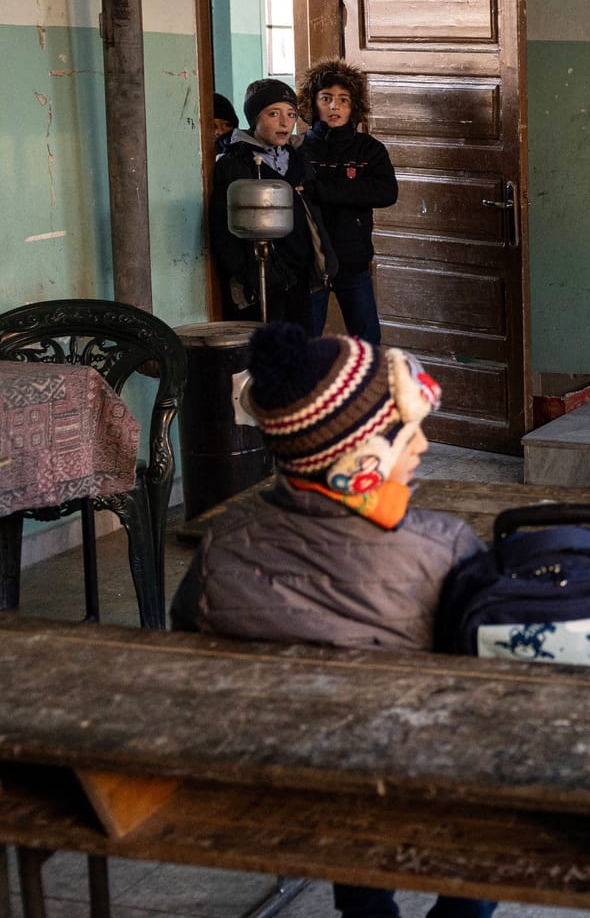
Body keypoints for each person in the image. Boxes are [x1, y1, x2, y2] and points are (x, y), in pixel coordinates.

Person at [171, 322, 492, 918]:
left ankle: (367, 911)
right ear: (360, 459)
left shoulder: (221, 545)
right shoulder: (444, 549)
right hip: (420, 790)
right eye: (406, 433)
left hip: (286, 784)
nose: (420, 447)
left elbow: (189, 639)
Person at [210, 78, 334, 331]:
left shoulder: (299, 159)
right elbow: (221, 226)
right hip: (261, 276)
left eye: (291, 114)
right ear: (255, 118)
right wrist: (245, 273)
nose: (284, 122)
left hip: (300, 272)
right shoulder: (235, 164)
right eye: (273, 113)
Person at [301, 60, 399, 343]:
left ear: (354, 106)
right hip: (310, 262)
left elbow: (386, 192)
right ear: (312, 102)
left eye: (343, 100)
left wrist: (322, 190)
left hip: (353, 260)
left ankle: (368, 387)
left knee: (367, 339)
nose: (335, 107)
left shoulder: (369, 149)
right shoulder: (299, 148)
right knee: (306, 340)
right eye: (326, 99)